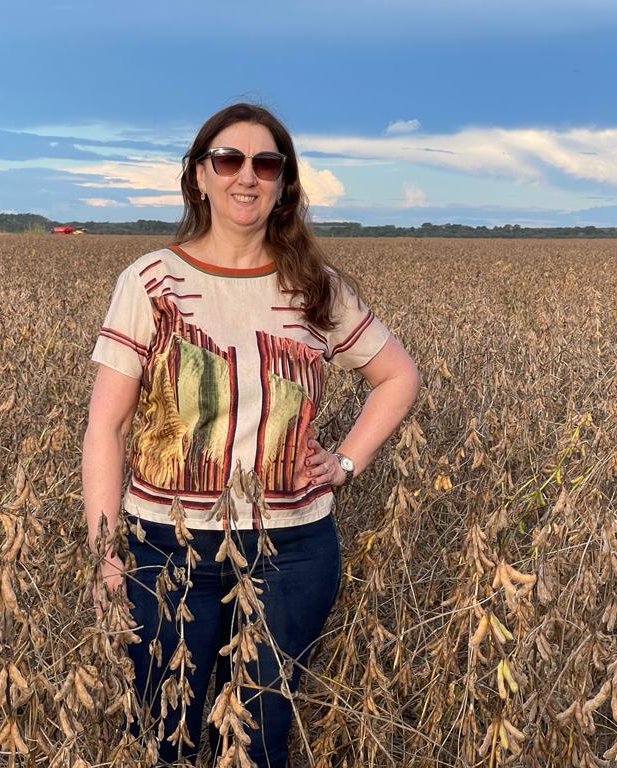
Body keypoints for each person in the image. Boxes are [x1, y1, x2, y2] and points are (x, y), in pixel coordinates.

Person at [82, 102, 419, 766]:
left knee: (257, 742)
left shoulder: (314, 287)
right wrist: (105, 554)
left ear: (284, 183)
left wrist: (347, 462)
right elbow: (106, 424)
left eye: (266, 164)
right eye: (228, 160)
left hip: (292, 554)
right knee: (161, 738)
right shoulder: (152, 280)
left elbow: (397, 375)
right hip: (165, 551)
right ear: (199, 176)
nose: (247, 177)